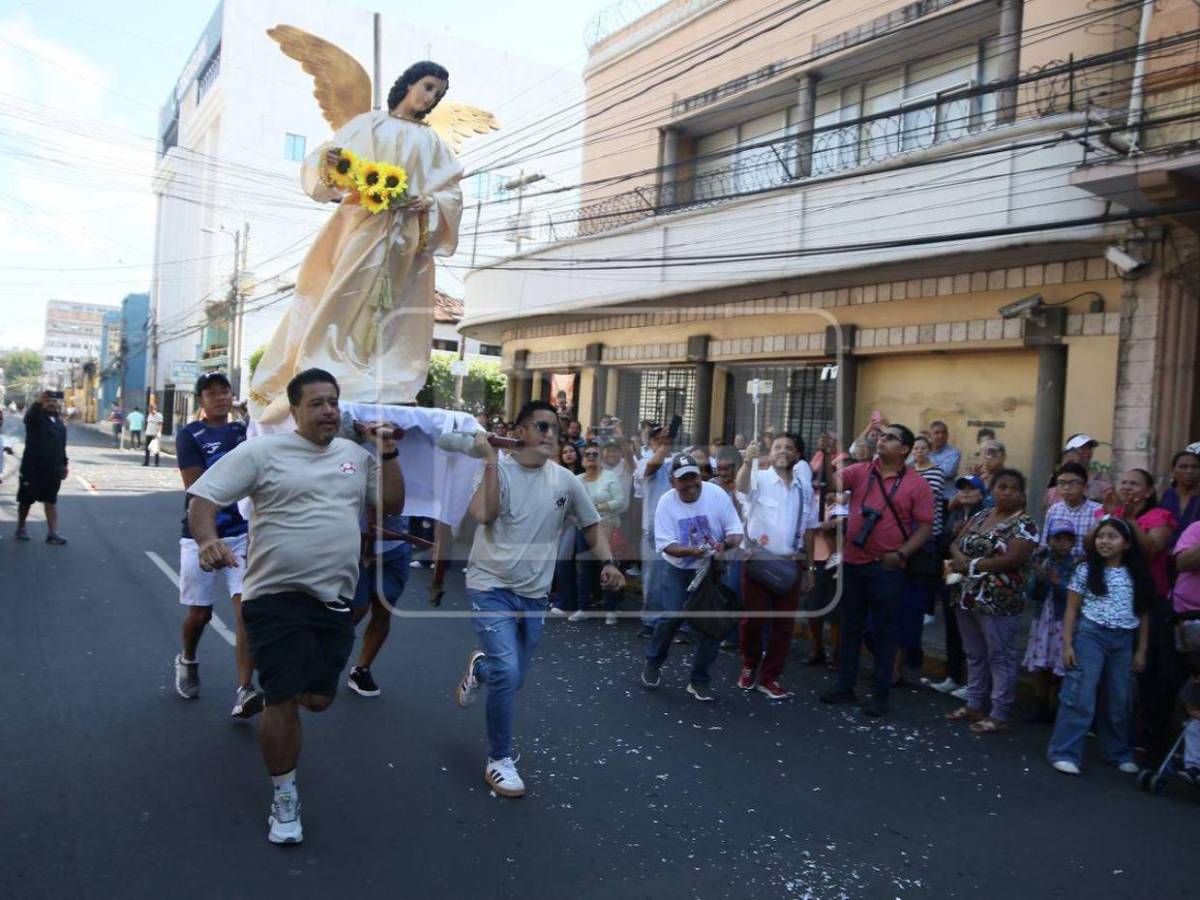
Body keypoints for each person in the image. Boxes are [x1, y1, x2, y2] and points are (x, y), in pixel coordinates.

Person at [186, 367, 404, 843]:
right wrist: (206, 540)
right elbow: (202, 498)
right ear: (296, 410)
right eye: (317, 403)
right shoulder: (262, 452)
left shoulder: (353, 455)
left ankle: (291, 709)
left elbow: (390, 503)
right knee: (282, 697)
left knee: (318, 700)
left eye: (333, 402)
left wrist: (387, 451)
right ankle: (284, 798)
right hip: (273, 596)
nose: (328, 411)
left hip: (334, 599)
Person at [248, 62, 464, 423]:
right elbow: (328, 163)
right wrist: (331, 163)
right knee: (342, 297)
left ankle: (379, 374)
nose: (431, 98)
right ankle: (328, 367)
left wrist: (428, 202)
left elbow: (451, 192)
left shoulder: (432, 142)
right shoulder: (369, 124)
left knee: (391, 308)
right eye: (428, 87)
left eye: (438, 94)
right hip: (360, 228)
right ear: (409, 83)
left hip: (404, 241)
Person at [454, 401, 621, 798]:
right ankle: (499, 759)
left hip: (533, 594)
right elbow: (482, 514)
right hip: (489, 585)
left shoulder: (565, 480)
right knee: (508, 674)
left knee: (511, 680)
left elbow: (591, 524)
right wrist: (492, 460)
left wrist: (610, 564)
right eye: (541, 426)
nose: (550, 434)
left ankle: (480, 670)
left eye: (556, 429)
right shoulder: (497, 470)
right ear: (520, 432)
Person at [819, 424, 934, 718]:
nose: (882, 440)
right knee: (850, 626)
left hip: (887, 566)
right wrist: (828, 453)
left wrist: (902, 554)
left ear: (905, 450)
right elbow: (833, 484)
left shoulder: (917, 484)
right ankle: (845, 685)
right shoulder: (861, 470)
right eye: (882, 436)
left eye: (891, 438)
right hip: (854, 562)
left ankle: (880, 695)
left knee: (885, 632)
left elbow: (924, 527)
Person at [172, 372, 261, 717]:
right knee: (200, 613)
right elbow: (198, 490)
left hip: (241, 534)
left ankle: (244, 689)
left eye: (225, 392)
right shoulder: (189, 435)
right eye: (213, 393)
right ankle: (188, 658)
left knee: (246, 612)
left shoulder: (245, 431)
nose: (221, 397)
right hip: (201, 534)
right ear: (201, 400)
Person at [1047, 516, 1152, 776]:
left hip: (1124, 638)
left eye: (1112, 537)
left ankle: (1118, 751)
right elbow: (1072, 608)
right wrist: (1068, 644)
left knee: (1120, 698)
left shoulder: (1136, 573)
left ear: (1126, 544)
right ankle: (1064, 751)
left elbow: (1144, 614)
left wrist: (1141, 650)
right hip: (1090, 636)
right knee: (1080, 695)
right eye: (1101, 536)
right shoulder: (1085, 569)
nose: (1105, 541)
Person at [640, 453, 743, 701]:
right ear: (673, 482)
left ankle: (699, 680)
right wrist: (692, 551)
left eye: (694, 476)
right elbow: (666, 545)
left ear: (701, 475)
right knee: (672, 616)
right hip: (678, 568)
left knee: (713, 625)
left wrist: (723, 545)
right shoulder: (666, 502)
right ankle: (653, 660)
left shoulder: (716, 494)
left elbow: (736, 532)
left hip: (710, 570)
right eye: (683, 479)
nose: (690, 483)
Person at [945, 469, 1038, 734]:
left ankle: (999, 712)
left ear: (1022, 495)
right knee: (974, 653)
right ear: (992, 490)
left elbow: (1013, 559)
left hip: (999, 599)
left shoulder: (1025, 524)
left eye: (1013, 488)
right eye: (1001, 486)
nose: (1007, 492)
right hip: (967, 594)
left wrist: (971, 563)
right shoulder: (981, 515)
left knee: (1000, 655)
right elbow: (957, 542)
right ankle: (974, 702)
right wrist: (959, 558)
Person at [1099, 468, 1178, 764]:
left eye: (1135, 484)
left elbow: (1151, 549)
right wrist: (1109, 518)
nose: (1128, 488)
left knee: (1146, 670)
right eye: (1125, 483)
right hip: (1110, 600)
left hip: (1148, 602)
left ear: (1147, 491)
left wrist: (1129, 520)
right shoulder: (1110, 513)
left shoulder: (1159, 516)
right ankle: (1109, 730)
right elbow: (1095, 549)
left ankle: (1145, 737)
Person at [734, 434, 818, 699]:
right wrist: (747, 464)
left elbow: (810, 530)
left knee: (783, 626)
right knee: (754, 621)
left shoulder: (804, 489)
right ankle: (749, 665)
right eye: (778, 447)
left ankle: (770, 677)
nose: (784, 451)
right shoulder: (759, 477)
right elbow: (742, 488)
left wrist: (810, 568)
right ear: (770, 454)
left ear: (797, 455)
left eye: (790, 448)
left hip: (790, 564)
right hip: (758, 561)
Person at [930, 475, 988, 697]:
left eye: (971, 488)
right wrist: (952, 534)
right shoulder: (954, 513)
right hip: (951, 577)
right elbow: (941, 544)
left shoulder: (986, 515)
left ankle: (974, 684)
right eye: (962, 488)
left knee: (974, 634)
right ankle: (953, 676)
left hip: (975, 580)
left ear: (981, 494)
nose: (965, 492)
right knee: (953, 629)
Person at [895, 435, 946, 684]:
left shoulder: (936, 474)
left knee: (910, 609)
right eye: (916, 448)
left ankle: (901, 665)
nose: (919, 451)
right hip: (898, 542)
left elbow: (934, 506)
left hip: (924, 543)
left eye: (923, 448)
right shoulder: (901, 474)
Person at [347, 504, 411, 698]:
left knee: (383, 611)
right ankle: (322, 659)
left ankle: (362, 669)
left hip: (396, 544)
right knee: (356, 610)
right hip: (354, 543)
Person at [1021, 522, 1082, 723]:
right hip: (1043, 619)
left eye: (1067, 539)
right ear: (1049, 541)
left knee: (1061, 665)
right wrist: (1039, 579)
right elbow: (1032, 594)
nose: (1063, 544)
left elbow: (1077, 597)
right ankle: (1040, 704)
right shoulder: (1043, 561)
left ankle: (1058, 705)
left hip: (1061, 621)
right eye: (1058, 539)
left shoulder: (1076, 566)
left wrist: (1057, 583)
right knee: (1041, 663)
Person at [575, 442, 629, 624]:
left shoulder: (610, 476)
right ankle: (583, 608)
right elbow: (571, 506)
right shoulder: (577, 479)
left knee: (609, 569)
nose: (591, 457)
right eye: (587, 454)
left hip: (608, 527)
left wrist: (596, 507)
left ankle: (611, 610)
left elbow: (621, 502)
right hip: (583, 528)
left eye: (595, 454)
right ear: (582, 461)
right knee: (584, 570)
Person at [15, 391, 69, 544]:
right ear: (43, 403)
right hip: (32, 468)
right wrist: (38, 402)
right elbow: (30, 416)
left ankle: (52, 533)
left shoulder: (59, 424)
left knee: (50, 501)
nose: (51, 403)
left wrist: (64, 464)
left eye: (54, 401)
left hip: (53, 470)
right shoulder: (35, 419)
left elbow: (62, 446)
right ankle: (21, 527)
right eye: (48, 401)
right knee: (26, 500)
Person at [636, 426, 674, 635]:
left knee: (677, 576)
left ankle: (676, 622)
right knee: (653, 578)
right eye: (658, 440)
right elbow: (651, 468)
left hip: (678, 527)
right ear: (651, 442)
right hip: (653, 528)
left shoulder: (677, 459)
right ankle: (651, 621)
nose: (663, 443)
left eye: (666, 439)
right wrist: (663, 447)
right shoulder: (645, 459)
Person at [1041, 462, 1101, 551]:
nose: (1066, 487)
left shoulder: (1098, 510)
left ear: (1085, 486)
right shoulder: (1053, 510)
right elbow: (1045, 543)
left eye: (1072, 482)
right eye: (1061, 483)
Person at [1161, 449, 1200, 544]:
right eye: (1183, 467)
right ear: (1173, 471)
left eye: (1195, 467)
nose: (1189, 471)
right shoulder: (1165, 495)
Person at [928, 420, 961, 498]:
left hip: (946, 497)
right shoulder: (924, 451)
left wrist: (925, 468)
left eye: (944, 432)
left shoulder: (953, 452)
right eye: (937, 433)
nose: (941, 436)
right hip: (926, 496)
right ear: (930, 435)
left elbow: (948, 472)